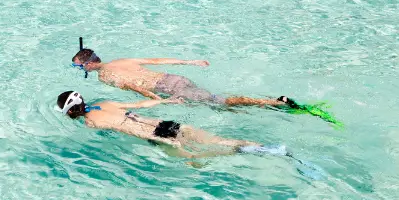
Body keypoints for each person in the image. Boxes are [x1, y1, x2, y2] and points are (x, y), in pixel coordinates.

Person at [70, 39, 297, 111]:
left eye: (79, 67)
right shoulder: (122, 60)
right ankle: (260, 106)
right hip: (176, 79)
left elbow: (134, 87)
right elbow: (157, 61)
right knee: (216, 104)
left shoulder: (105, 76)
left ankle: (273, 102)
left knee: (218, 101)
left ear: (89, 65)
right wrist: (190, 61)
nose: (80, 70)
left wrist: (160, 100)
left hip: (171, 89)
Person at [54, 91, 288, 160]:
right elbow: (140, 104)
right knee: (216, 139)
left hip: (153, 134)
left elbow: (127, 129)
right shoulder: (104, 103)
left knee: (198, 157)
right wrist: (165, 100)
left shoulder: (91, 123)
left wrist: (162, 141)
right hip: (165, 122)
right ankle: (263, 147)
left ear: (72, 111)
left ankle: (245, 151)